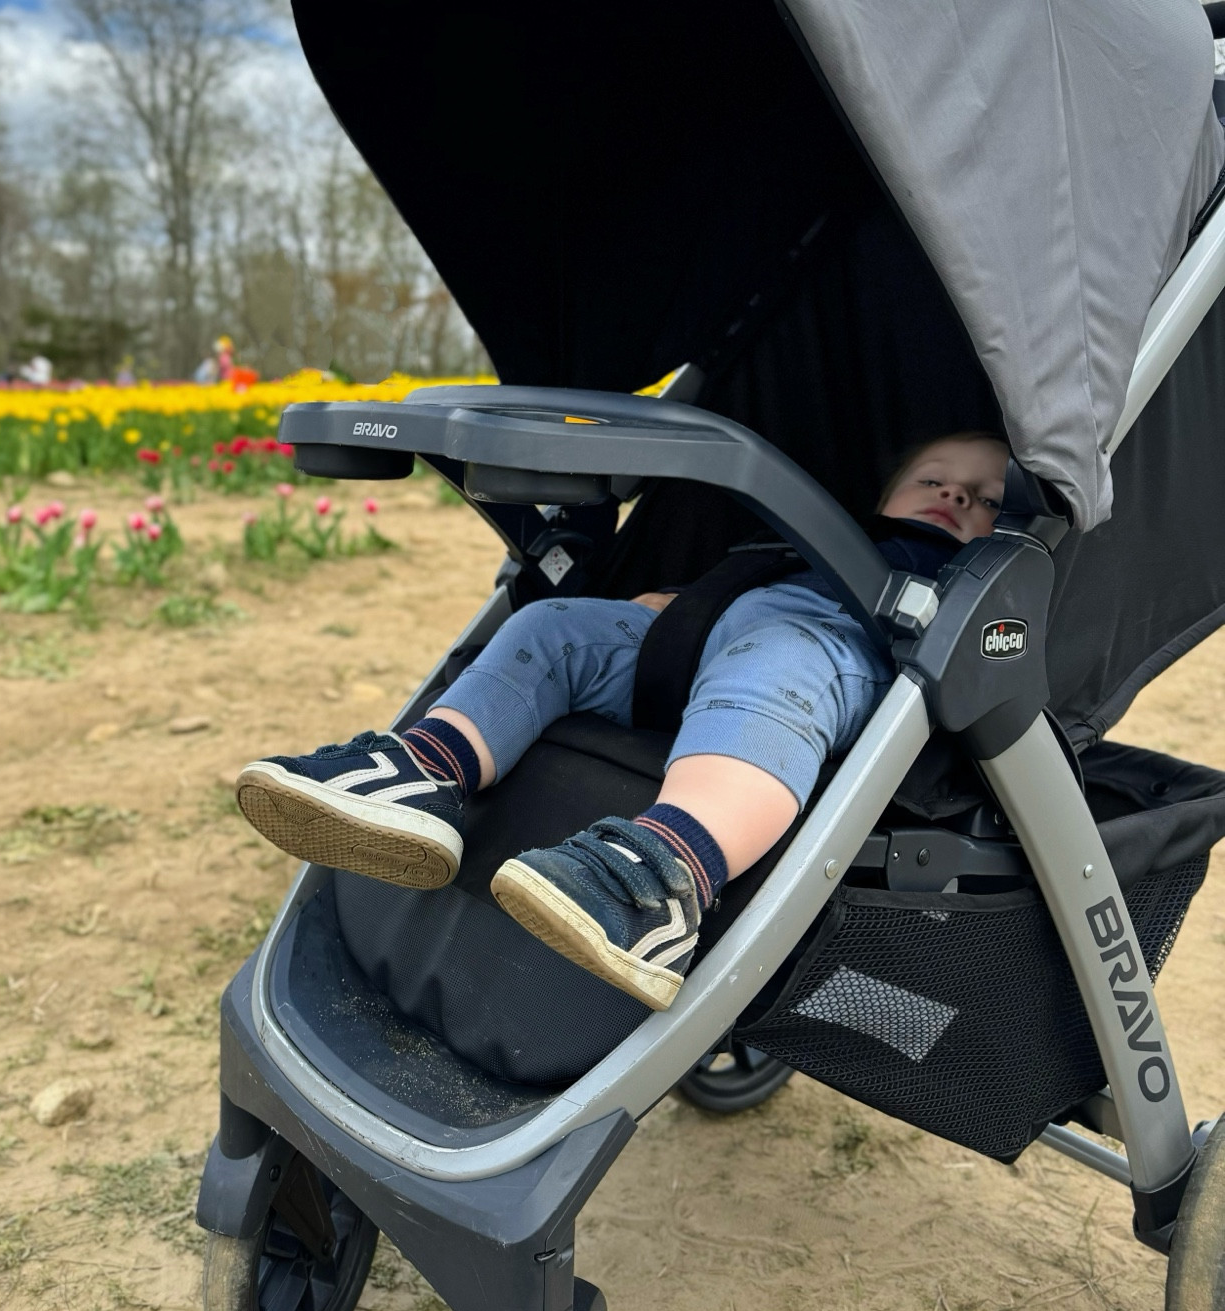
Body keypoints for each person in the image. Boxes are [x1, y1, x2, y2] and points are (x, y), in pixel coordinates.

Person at [234, 433, 1009, 1010]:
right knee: (552, 627)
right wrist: (680, 606)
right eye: (934, 479)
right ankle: (425, 773)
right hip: (697, 636)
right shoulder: (818, 537)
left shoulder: (966, 578)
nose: (959, 498)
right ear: (882, 493)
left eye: (987, 499)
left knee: (775, 666)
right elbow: (735, 581)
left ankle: (659, 884)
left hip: (839, 657)